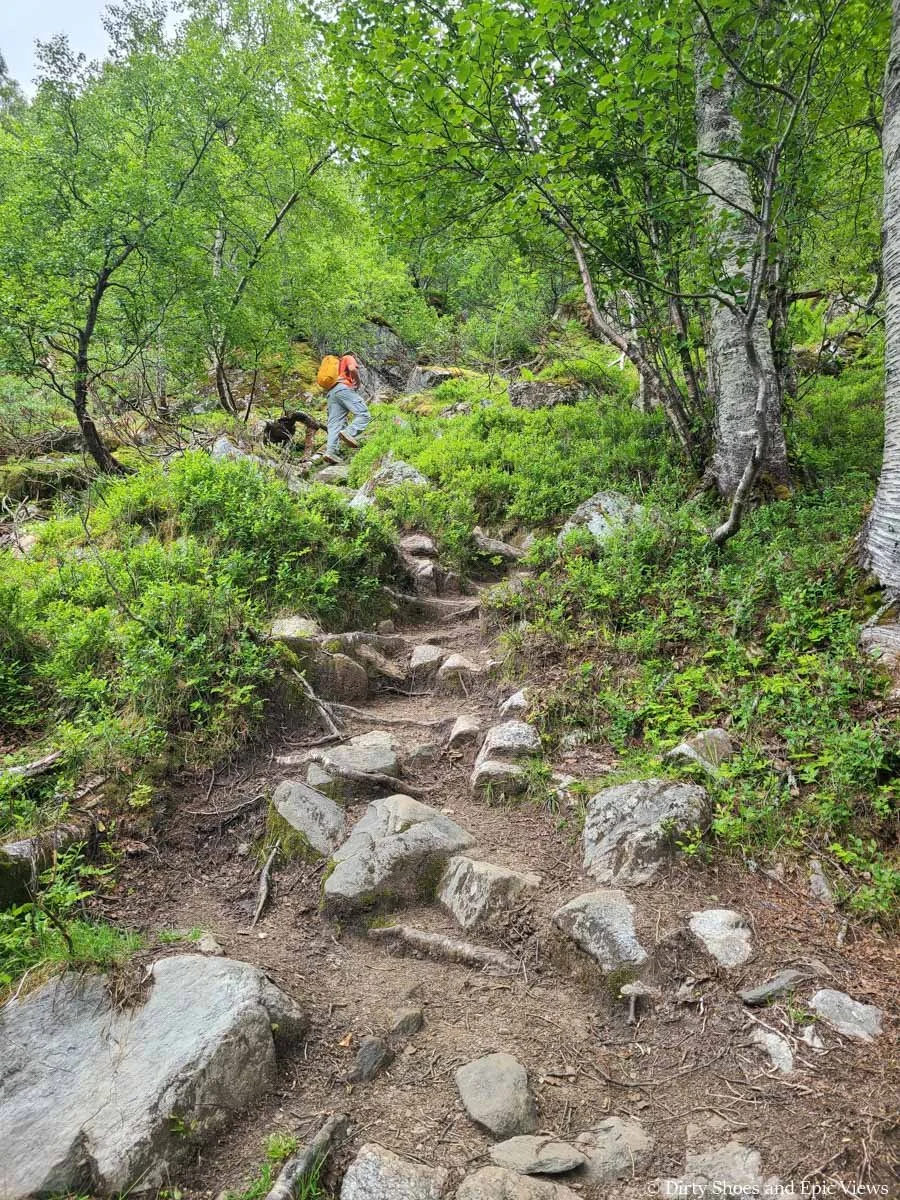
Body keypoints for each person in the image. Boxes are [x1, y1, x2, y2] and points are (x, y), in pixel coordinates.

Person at [323, 351, 370, 464]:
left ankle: (330, 452)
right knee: (363, 414)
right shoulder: (348, 357)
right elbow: (352, 369)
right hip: (343, 388)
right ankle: (349, 432)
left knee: (334, 424)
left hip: (331, 393)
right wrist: (357, 383)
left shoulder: (335, 367)